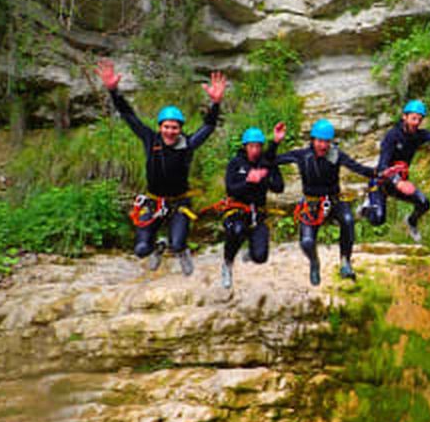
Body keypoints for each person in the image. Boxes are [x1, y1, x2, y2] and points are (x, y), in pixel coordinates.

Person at [94, 59, 227, 275]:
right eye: (166, 127)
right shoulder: (150, 139)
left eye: (175, 127)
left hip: (178, 203)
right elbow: (129, 116)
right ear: (160, 127)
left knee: (178, 243)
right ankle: (158, 246)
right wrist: (113, 90)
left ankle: (180, 250)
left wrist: (216, 103)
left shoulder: (188, 144)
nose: (170, 131)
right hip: (153, 201)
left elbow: (209, 126)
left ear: (180, 129)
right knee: (141, 249)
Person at [276, 119, 375, 286]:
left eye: (327, 142)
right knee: (306, 242)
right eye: (320, 141)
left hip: (334, 202)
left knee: (348, 221)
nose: (323, 145)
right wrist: (275, 142)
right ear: (313, 140)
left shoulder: (335, 155)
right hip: (311, 203)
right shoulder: (302, 156)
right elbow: (272, 160)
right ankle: (314, 263)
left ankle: (345, 261)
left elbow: (357, 168)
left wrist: (377, 173)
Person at [363, 99, 430, 242]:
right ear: (404, 117)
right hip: (381, 182)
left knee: (424, 203)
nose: (416, 122)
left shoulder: (419, 136)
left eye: (419, 119)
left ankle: (411, 222)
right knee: (378, 219)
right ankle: (367, 207)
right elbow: (382, 166)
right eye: (413, 118)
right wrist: (398, 182)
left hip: (399, 183)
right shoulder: (392, 136)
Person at [219, 122, 287, 289]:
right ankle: (227, 263)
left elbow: (279, 187)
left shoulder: (267, 163)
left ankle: (251, 251)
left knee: (260, 257)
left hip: (258, 215)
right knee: (237, 230)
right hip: (237, 211)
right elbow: (231, 188)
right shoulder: (236, 163)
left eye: (258, 146)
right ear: (245, 147)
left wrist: (266, 177)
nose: (255, 150)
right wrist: (249, 181)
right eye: (251, 146)